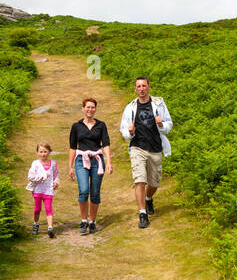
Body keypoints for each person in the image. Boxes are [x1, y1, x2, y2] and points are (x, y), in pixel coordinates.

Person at [119, 76, 173, 229]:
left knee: (154, 182)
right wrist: (129, 132)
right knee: (139, 180)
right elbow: (123, 130)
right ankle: (142, 214)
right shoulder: (130, 108)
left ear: (149, 87)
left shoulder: (159, 104)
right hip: (138, 148)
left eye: (144, 86)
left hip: (155, 148)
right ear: (135, 89)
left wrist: (162, 124)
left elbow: (169, 124)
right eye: (138, 86)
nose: (141, 89)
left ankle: (148, 198)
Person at [68, 96, 112, 235]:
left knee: (94, 192)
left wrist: (109, 162)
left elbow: (105, 144)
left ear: (95, 109)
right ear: (83, 109)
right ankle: (83, 220)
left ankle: (92, 221)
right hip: (81, 160)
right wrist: (70, 167)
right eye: (88, 107)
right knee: (84, 190)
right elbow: (72, 147)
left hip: (97, 160)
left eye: (93, 107)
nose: (90, 110)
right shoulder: (76, 126)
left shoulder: (101, 125)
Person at [26, 141, 60, 238]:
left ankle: (50, 228)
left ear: (49, 152)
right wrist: (43, 176)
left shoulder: (53, 163)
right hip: (38, 190)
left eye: (45, 151)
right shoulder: (35, 164)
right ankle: (36, 224)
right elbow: (31, 177)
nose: (43, 154)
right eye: (41, 152)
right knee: (37, 209)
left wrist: (56, 182)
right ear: (37, 152)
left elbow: (56, 174)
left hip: (48, 190)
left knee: (48, 209)